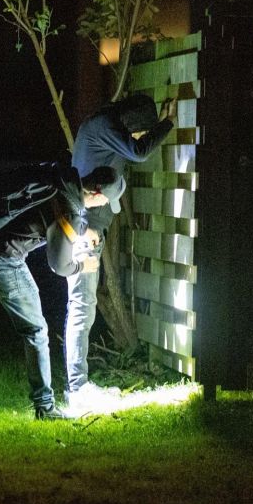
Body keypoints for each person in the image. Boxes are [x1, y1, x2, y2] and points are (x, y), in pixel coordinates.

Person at [0, 163, 124, 420]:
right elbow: (59, 264)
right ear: (97, 193)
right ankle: (45, 407)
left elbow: (44, 218)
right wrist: (83, 264)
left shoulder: (59, 177)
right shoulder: (70, 208)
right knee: (36, 331)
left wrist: (79, 233)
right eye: (105, 201)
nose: (102, 206)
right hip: (3, 260)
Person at [63, 94, 177, 416]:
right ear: (133, 123)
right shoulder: (106, 125)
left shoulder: (103, 128)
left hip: (91, 229)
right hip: (85, 230)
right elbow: (139, 153)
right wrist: (168, 122)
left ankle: (79, 385)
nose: (136, 139)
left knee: (83, 309)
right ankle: (77, 390)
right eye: (139, 132)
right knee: (82, 309)